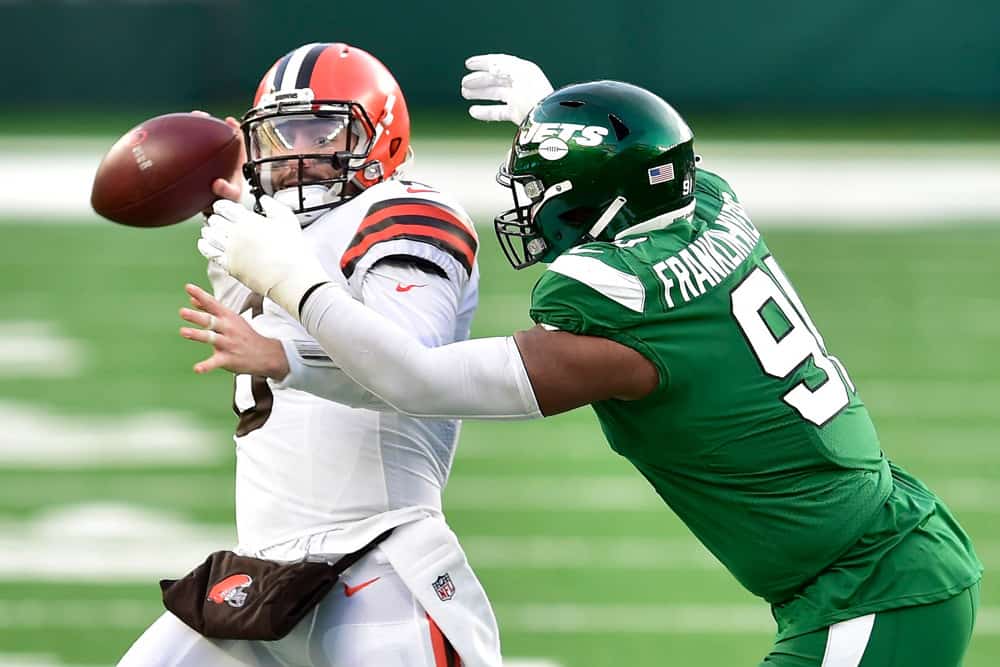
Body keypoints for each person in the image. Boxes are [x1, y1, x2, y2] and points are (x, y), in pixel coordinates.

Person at [193, 55, 983, 666]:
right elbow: (641, 163)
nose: (526, 205)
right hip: (885, 551)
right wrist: (558, 116)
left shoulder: (620, 313)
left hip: (872, 593)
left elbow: (420, 380)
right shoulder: (704, 200)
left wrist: (295, 281)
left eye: (539, 186)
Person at [119, 42, 501, 667]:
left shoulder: (406, 211)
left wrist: (285, 354)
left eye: (321, 133)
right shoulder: (260, 224)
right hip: (267, 575)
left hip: (381, 565)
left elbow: (413, 364)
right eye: (281, 134)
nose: (297, 155)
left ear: (379, 135)